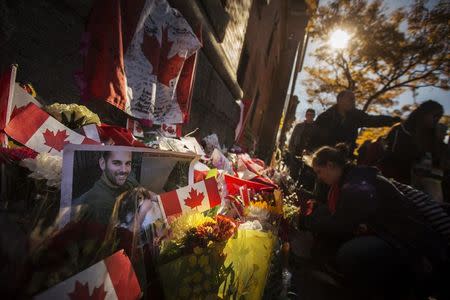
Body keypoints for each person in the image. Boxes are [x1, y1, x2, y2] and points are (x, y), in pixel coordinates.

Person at [301, 144, 449, 299]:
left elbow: (343, 222)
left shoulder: (355, 183)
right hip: (393, 233)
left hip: (407, 242)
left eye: (319, 171)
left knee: (351, 253)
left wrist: (307, 222)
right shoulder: (352, 177)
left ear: (330, 165)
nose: (319, 177)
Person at [310, 90, 400, 154]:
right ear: (339, 100)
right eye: (351, 99)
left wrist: (392, 121)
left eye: (354, 100)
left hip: (345, 159)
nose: (354, 102)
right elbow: (314, 138)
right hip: (324, 159)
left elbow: (372, 120)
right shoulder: (324, 117)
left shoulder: (356, 115)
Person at [378, 100, 444, 185]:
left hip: (420, 182)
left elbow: (437, 161)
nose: (436, 120)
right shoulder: (400, 129)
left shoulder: (433, 136)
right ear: (423, 113)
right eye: (435, 116)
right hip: (394, 179)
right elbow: (393, 154)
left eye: (439, 118)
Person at [73, 151, 139, 225]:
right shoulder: (100, 206)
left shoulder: (126, 179)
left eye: (128, 163)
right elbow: (119, 235)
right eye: (116, 163)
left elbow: (140, 190)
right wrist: (143, 210)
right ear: (103, 164)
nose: (124, 170)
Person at [288, 108, 317, 182]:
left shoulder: (315, 128)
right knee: (293, 173)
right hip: (296, 152)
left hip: (308, 154)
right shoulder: (299, 126)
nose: (309, 116)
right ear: (306, 115)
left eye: (311, 115)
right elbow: (292, 138)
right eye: (308, 114)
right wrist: (291, 150)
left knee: (304, 175)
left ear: (314, 116)